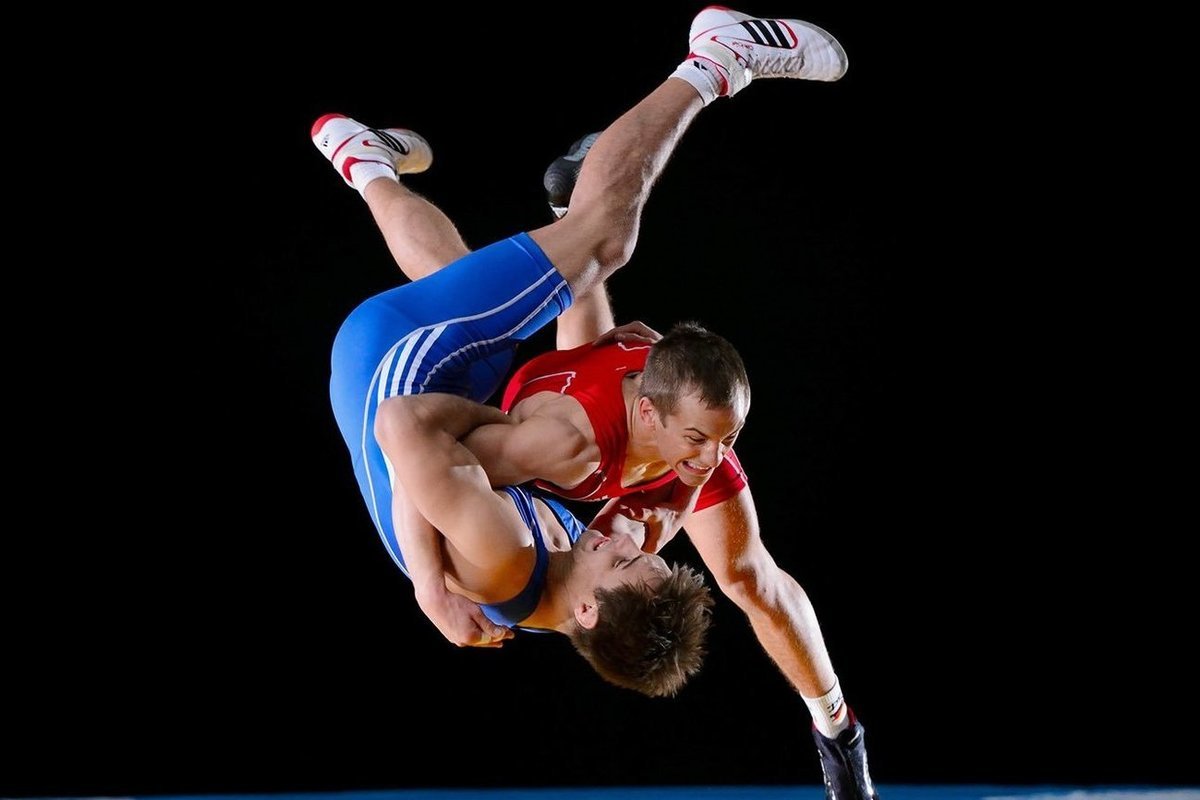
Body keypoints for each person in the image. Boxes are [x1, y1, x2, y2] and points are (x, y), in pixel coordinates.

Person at [318, 4, 875, 795]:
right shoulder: (568, 578)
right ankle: (360, 159)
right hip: (443, 388)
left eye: (628, 563)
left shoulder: (505, 557)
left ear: (588, 611)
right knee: (487, 289)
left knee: (602, 239)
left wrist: (426, 585)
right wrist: (836, 730)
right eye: (645, 555)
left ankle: (715, 61)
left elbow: (402, 427)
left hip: (404, 366)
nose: (631, 544)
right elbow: (582, 385)